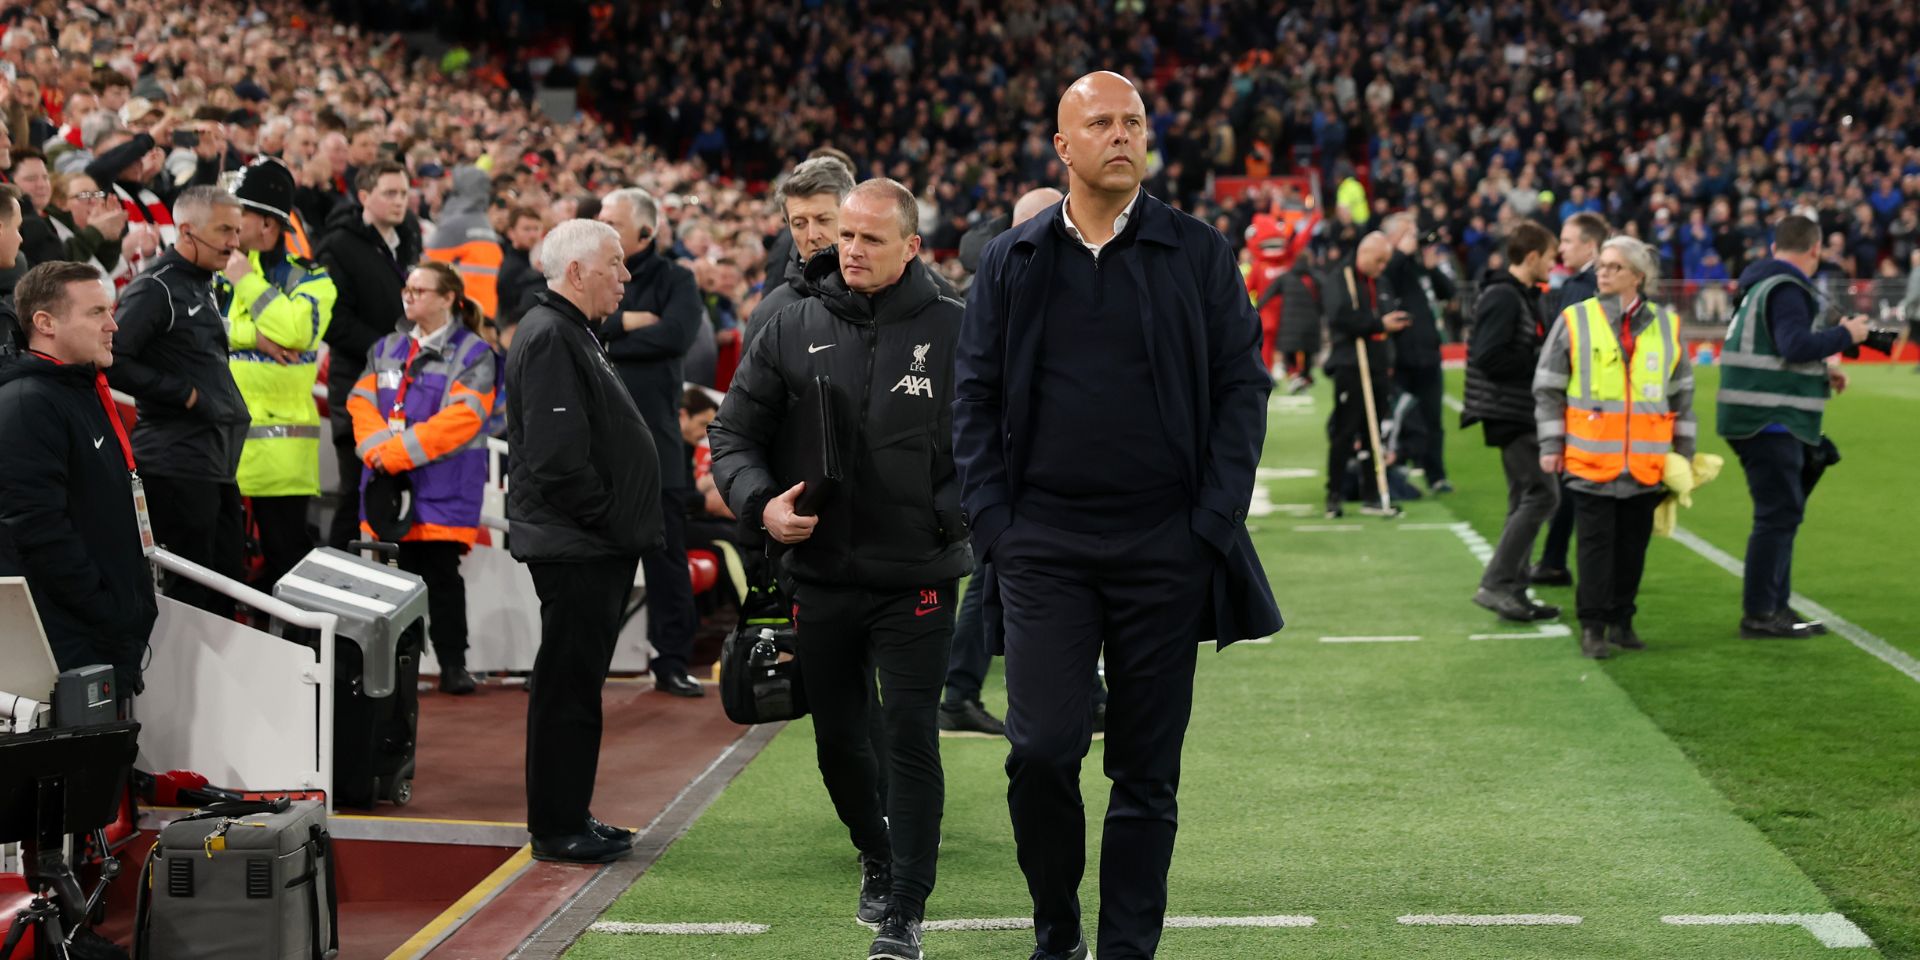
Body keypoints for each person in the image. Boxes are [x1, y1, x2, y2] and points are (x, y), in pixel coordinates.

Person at [955, 71, 1280, 960]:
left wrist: (1209, 524)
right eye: (1101, 123)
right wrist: (995, 526)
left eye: (1134, 121)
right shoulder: (1011, 258)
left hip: (1165, 545)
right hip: (1042, 547)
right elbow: (973, 398)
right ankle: (1056, 927)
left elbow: (1241, 388)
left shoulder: (1199, 251)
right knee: (1045, 752)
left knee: (1146, 772)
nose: (1122, 135)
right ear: (1064, 147)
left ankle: (1127, 949)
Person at [711, 177, 970, 960]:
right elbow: (732, 435)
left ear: (912, 247)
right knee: (837, 740)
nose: (849, 250)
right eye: (843, 237)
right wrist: (762, 506)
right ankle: (876, 849)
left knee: (910, 735)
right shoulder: (790, 324)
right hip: (820, 573)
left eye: (869, 239)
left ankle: (905, 909)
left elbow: (997, 442)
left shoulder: (959, 329)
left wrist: (949, 514)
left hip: (919, 573)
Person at [507, 218, 654, 865]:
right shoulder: (551, 336)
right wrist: (614, 520)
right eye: (615, 264)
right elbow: (558, 461)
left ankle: (570, 812)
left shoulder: (567, 331)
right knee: (567, 686)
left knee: (575, 684)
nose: (625, 276)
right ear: (575, 272)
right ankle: (558, 825)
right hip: (578, 544)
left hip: (587, 541)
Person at [939, 186, 1064, 741]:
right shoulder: (1000, 278)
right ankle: (960, 692)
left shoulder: (1002, 264)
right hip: (1005, 469)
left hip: (1024, 466)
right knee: (991, 574)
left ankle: (963, 692)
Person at [1534, 236, 1696, 659]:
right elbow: (1548, 387)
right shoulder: (1575, 319)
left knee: (1632, 548)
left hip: (1646, 461)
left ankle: (1622, 620)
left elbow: (1682, 395)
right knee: (1593, 547)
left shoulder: (1667, 324)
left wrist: (1686, 452)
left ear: (1637, 278)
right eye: (1602, 265)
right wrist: (1551, 443)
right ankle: (1593, 626)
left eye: (1613, 267)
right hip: (1591, 458)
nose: (1602, 272)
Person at [0, 262, 157, 696]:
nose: (113, 325)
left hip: (97, 631)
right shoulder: (26, 403)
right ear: (45, 323)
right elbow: (35, 526)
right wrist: (106, 607)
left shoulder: (79, 390)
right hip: (67, 638)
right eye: (96, 313)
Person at [348, 261, 500, 692]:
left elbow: (463, 417)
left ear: (448, 298)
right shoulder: (386, 348)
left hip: (442, 486)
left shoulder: (473, 352)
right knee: (394, 582)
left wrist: (393, 454)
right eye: (407, 290)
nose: (409, 297)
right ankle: (399, 667)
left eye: (420, 290)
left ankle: (454, 664)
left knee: (441, 577)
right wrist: (378, 451)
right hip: (389, 482)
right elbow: (360, 401)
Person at [1718, 215, 1871, 639]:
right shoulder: (1787, 288)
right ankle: (1761, 613)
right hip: (1769, 417)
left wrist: (1822, 371)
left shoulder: (1760, 284)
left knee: (1781, 513)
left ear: (1772, 248)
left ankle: (1775, 607)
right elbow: (1794, 344)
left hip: (1755, 412)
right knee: (1777, 516)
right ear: (1815, 250)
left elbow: (1778, 352)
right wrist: (1847, 336)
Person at [106, 185, 250, 616]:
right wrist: (184, 395)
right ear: (186, 230)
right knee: (195, 594)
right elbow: (113, 358)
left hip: (211, 460)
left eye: (237, 231)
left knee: (227, 584)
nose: (234, 242)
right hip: (175, 460)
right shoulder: (156, 287)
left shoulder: (201, 283)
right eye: (225, 230)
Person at [594, 186, 706, 698]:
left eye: (611, 220)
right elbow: (580, 331)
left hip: (659, 445)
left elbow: (677, 335)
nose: (601, 226)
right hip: (601, 447)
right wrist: (629, 323)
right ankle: (586, 662)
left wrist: (610, 334)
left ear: (645, 231)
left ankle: (673, 661)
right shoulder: (589, 271)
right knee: (596, 564)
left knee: (666, 560)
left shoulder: (678, 277)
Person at [219, 158, 337, 591]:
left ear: (268, 225)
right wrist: (254, 336)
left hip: (279, 457)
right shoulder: (218, 268)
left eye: (240, 213)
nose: (230, 222)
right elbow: (207, 329)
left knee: (286, 563)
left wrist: (248, 283)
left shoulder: (313, 278)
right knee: (223, 568)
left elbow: (296, 332)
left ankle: (306, 655)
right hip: (219, 449)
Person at [1461, 220, 1561, 622]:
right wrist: (1540, 362)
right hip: (1508, 410)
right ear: (1532, 256)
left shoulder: (1518, 294)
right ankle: (1497, 583)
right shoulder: (1503, 296)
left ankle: (1514, 590)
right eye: (1551, 258)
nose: (1553, 267)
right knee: (1543, 495)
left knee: (1525, 496)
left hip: (1515, 408)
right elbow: (1488, 356)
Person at [319, 159, 419, 549]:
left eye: (405, 193)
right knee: (356, 488)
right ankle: (334, 578)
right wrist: (387, 348)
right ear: (364, 196)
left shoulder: (408, 235)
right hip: (356, 382)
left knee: (393, 490)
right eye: (389, 193)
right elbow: (332, 321)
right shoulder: (338, 245)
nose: (400, 202)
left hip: (405, 383)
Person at [1533, 212, 1612, 586]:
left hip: (1586, 402)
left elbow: (1564, 344)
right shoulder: (1585, 284)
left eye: (1566, 241)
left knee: (1574, 485)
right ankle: (1555, 558)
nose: (1560, 249)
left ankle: (1557, 559)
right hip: (1601, 400)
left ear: (1589, 245)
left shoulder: (1581, 287)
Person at [1323, 231, 1412, 517]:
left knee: (1375, 433)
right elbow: (1339, 316)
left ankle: (1373, 494)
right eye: (1379, 260)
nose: (1383, 266)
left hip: (1377, 365)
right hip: (1351, 365)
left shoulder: (1381, 282)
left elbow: (1383, 319)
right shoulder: (1342, 278)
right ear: (1364, 254)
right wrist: (1377, 324)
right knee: (1345, 431)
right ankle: (1334, 494)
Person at [1380, 213, 1457, 493]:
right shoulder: (1389, 265)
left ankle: (1436, 475)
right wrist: (1400, 251)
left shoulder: (1419, 266)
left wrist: (1432, 266)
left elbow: (1449, 291)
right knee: (1401, 420)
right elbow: (1386, 276)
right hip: (1400, 357)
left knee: (1433, 419)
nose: (1415, 237)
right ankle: (1396, 471)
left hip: (1428, 354)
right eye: (1407, 232)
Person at [746, 156, 855, 345]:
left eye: (823, 220)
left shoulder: (889, 294)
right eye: (799, 224)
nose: (812, 235)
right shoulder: (770, 316)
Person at [423, 166, 505, 320]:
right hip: (485, 314)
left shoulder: (454, 225)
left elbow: (427, 270)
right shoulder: (485, 225)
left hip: (457, 314)